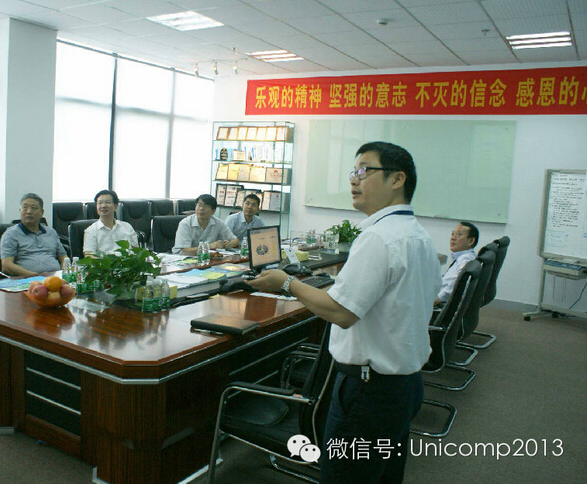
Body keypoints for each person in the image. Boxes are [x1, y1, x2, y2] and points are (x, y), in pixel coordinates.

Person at [247, 141, 441, 484]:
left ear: (397, 180)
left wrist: (286, 282)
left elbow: (341, 312)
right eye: (354, 171)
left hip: (369, 394)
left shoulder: (379, 238)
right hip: (404, 386)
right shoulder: (419, 236)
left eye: (365, 171)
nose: (354, 179)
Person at [0, 193, 67, 276]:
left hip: (54, 278)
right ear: (20, 210)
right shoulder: (11, 234)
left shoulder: (51, 232)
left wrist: (64, 273)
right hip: (27, 279)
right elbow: (6, 265)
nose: (29, 212)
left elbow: (63, 256)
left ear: (42, 213)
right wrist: (34, 276)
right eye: (25, 207)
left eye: (34, 208)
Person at [172, 194, 239, 254]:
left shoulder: (218, 223)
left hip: (208, 259)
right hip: (186, 259)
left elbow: (235, 240)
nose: (201, 209)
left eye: (206, 206)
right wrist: (209, 246)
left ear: (213, 211)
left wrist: (227, 245)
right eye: (199, 205)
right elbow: (183, 251)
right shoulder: (185, 224)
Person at [435, 221, 479, 307]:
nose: (453, 238)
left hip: (440, 303)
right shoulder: (463, 257)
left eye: (459, 235)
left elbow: (459, 282)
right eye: (452, 234)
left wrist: (438, 299)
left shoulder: (466, 260)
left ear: (471, 241)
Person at [83, 189, 138, 257]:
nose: (103, 206)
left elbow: (136, 251)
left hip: (127, 263)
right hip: (104, 263)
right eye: (100, 203)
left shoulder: (127, 227)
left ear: (115, 206)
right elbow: (89, 255)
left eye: (107, 202)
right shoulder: (91, 231)